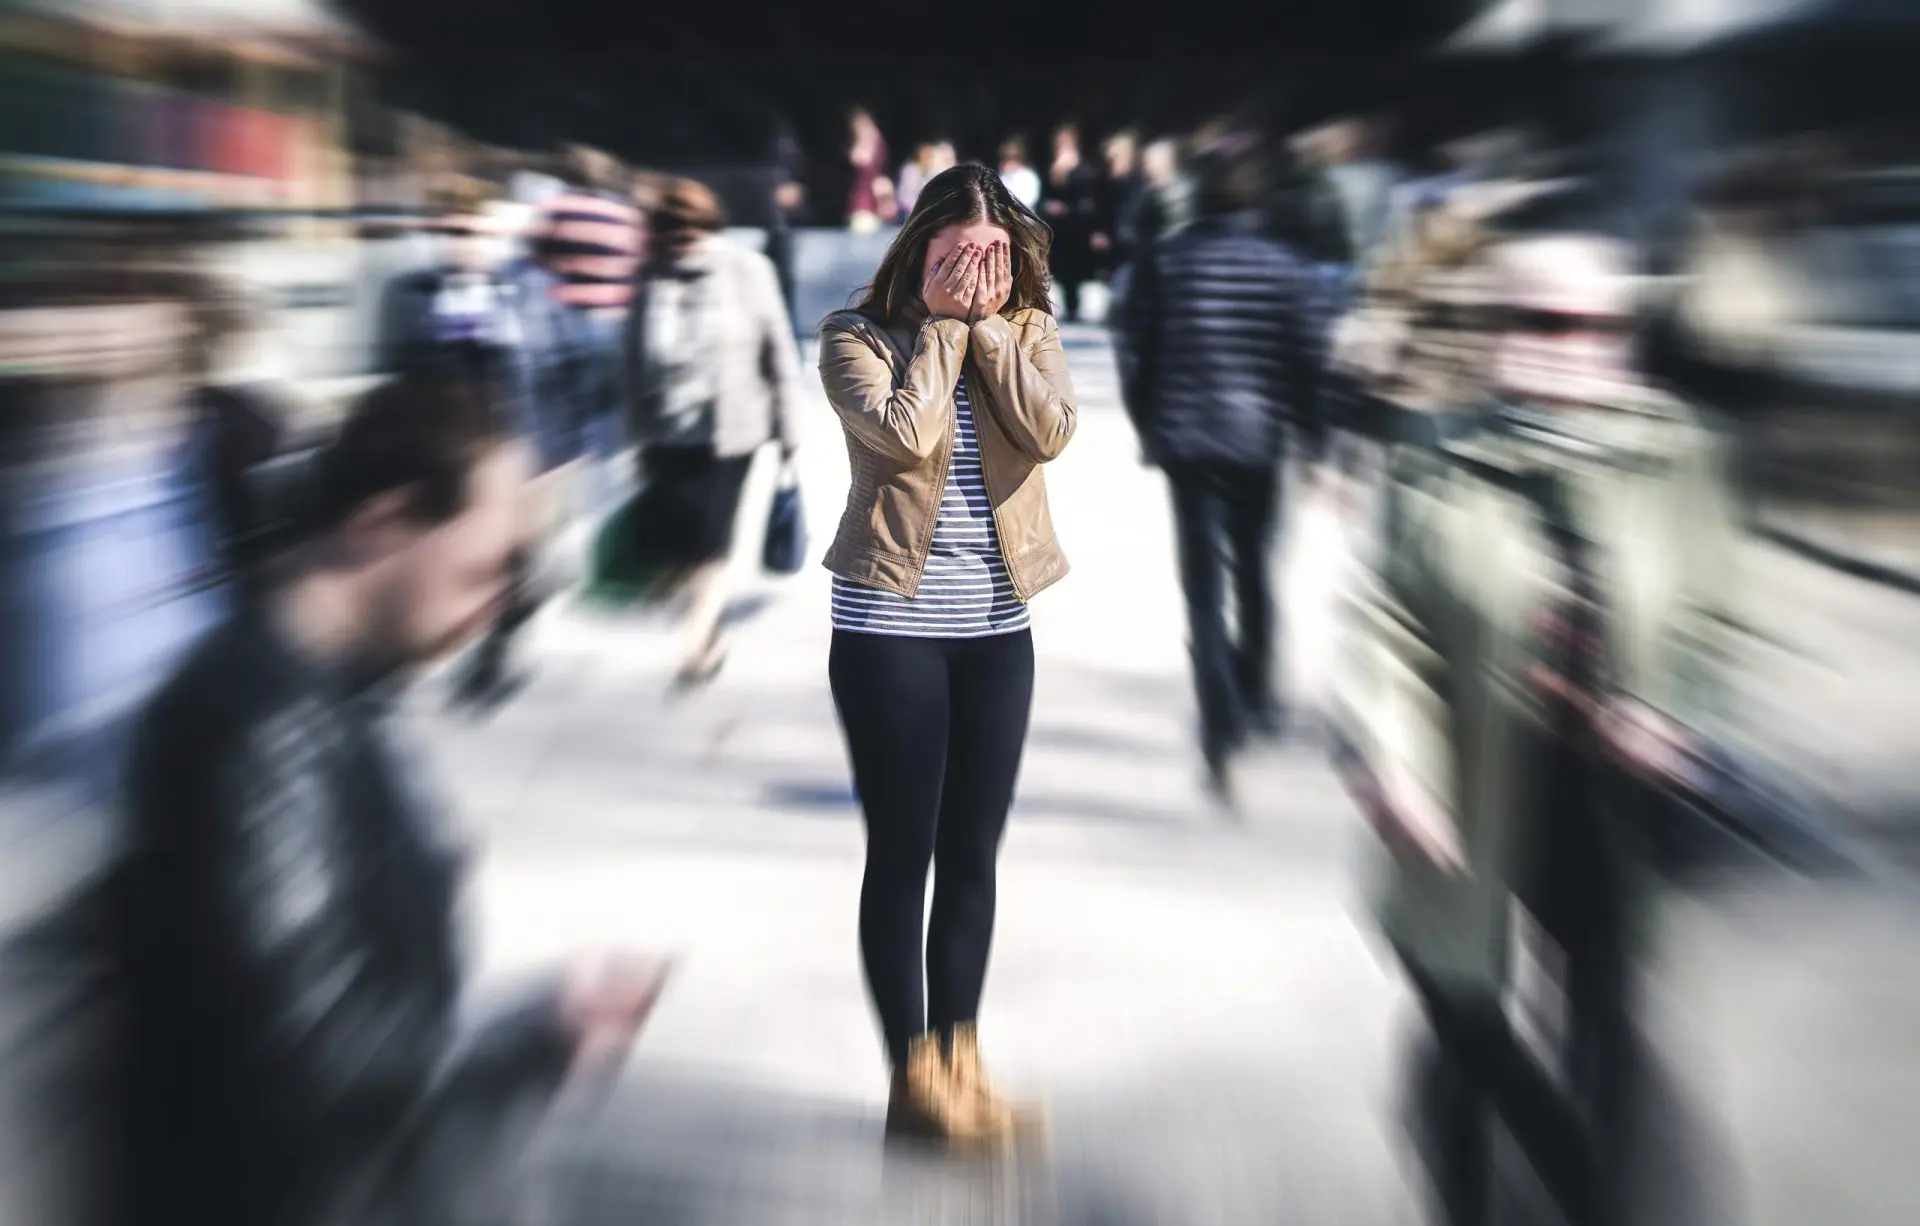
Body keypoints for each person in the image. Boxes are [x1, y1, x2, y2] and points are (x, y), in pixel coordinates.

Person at [111, 370, 672, 1226]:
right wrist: (541, 1032)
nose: (499, 605)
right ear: (384, 524)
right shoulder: (260, 727)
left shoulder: (320, 695)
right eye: (486, 569)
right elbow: (312, 1058)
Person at [1332, 216, 1744, 1226]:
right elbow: (1388, 623)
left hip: (1605, 789)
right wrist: (1397, 760)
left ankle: (1605, 1193)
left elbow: (1708, 610)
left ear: (1620, 334)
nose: (1550, 343)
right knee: (1460, 1000)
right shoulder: (1432, 451)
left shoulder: (1675, 455)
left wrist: (1671, 710)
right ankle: (1504, 1178)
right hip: (1465, 773)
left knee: (1603, 1011)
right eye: (1525, 319)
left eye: (1577, 325)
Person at [816, 163, 1075, 1146]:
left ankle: (962, 1063)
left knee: (973, 853)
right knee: (904, 853)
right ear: (918, 250)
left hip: (998, 631)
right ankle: (911, 1077)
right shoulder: (856, 338)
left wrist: (995, 332)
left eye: (998, 255)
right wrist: (942, 327)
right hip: (890, 629)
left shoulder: (1032, 332)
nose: (982, 272)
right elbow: (904, 437)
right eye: (961, 255)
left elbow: (1048, 431)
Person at [1117, 143, 1327, 804]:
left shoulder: (1166, 261)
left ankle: (1219, 716)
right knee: (1257, 571)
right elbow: (1307, 360)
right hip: (1258, 442)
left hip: (1188, 443)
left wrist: (1149, 425)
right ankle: (1255, 692)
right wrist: (1315, 439)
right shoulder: (1284, 267)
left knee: (1203, 592)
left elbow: (1138, 352)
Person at [625, 177, 801, 690]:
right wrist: (633, 435)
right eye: (673, 234)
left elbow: (778, 351)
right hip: (666, 433)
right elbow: (631, 361)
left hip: (732, 432)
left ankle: (697, 642)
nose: (684, 242)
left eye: (692, 231)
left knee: (711, 537)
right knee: (680, 539)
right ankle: (701, 616)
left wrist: (789, 429)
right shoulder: (649, 278)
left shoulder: (748, 271)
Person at [1038, 122, 1104, 322]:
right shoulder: (1052, 167)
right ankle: (1068, 307)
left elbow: (1089, 201)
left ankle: (1075, 307)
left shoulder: (1083, 168)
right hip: (1058, 228)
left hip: (1077, 227)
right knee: (1061, 268)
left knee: (1076, 267)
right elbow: (1044, 197)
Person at [846, 108, 894, 234]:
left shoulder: (873, 138)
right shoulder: (869, 138)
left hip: (870, 202)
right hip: (862, 198)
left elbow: (861, 158)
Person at [997, 136, 1041, 210]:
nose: (1009, 162)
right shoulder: (1000, 176)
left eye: (1013, 158)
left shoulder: (1029, 176)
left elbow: (1029, 201)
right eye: (1006, 158)